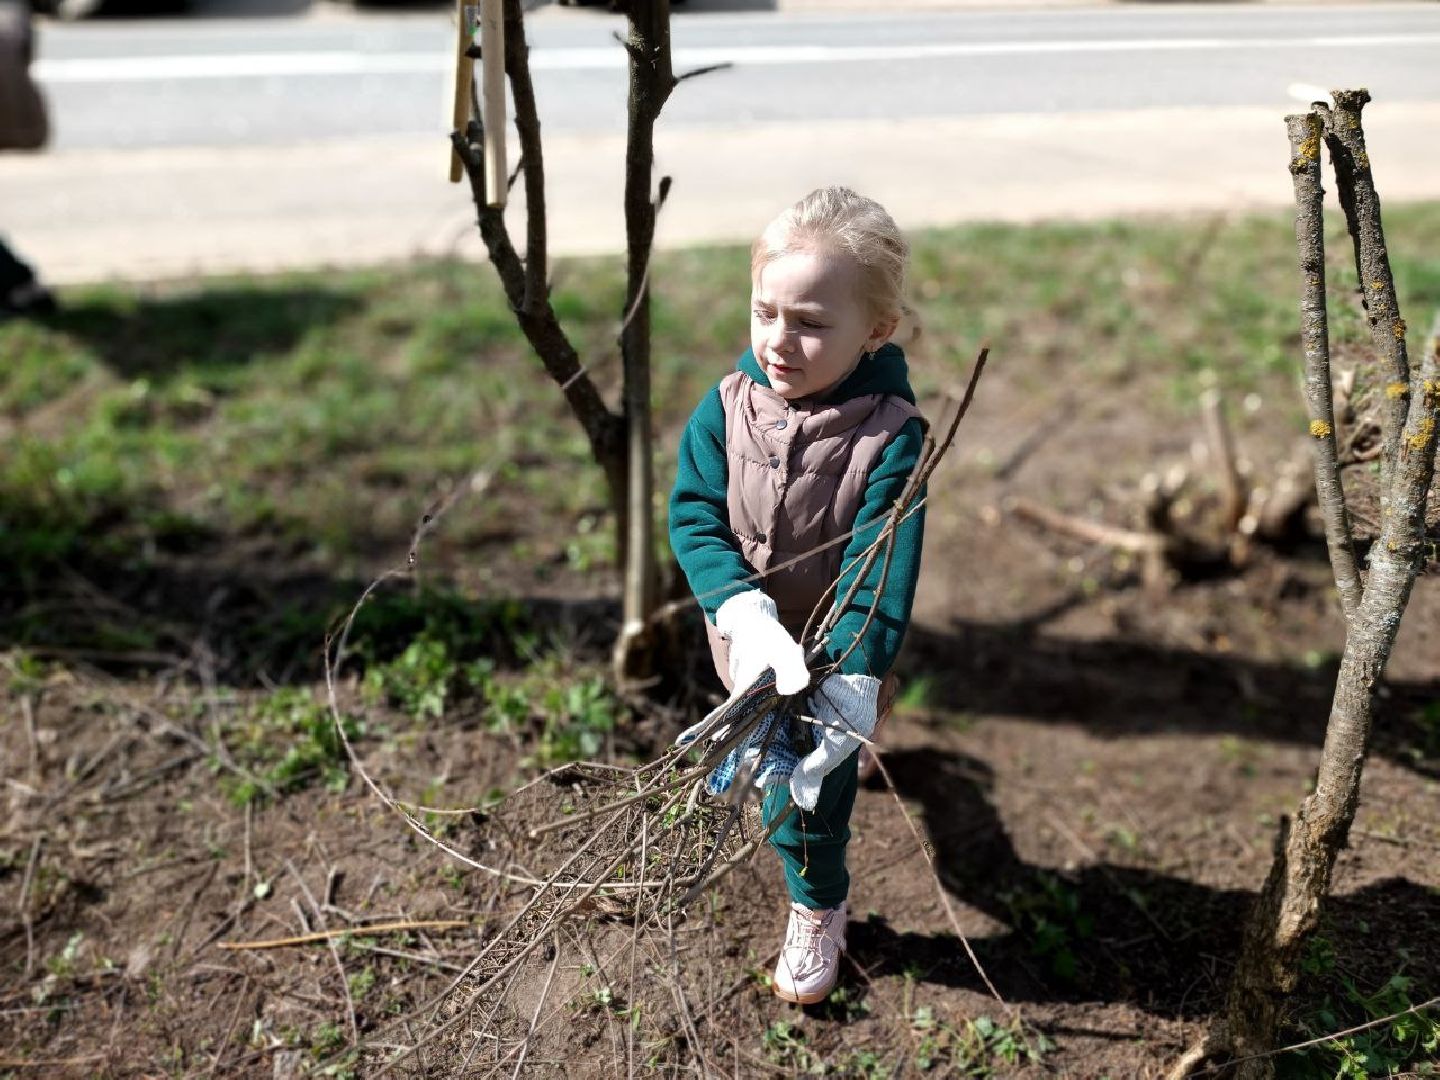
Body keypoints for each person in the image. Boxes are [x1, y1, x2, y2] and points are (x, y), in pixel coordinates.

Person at [669, 186, 927, 1005]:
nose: (779, 341)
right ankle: (865, 739)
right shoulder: (725, 408)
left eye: (811, 323)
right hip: (746, 650)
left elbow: (879, 573)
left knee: (804, 800)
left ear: (876, 330)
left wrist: (851, 678)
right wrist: (740, 613)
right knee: (778, 773)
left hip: (834, 665)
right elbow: (695, 516)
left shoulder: (891, 438)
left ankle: (819, 904)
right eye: (765, 312)